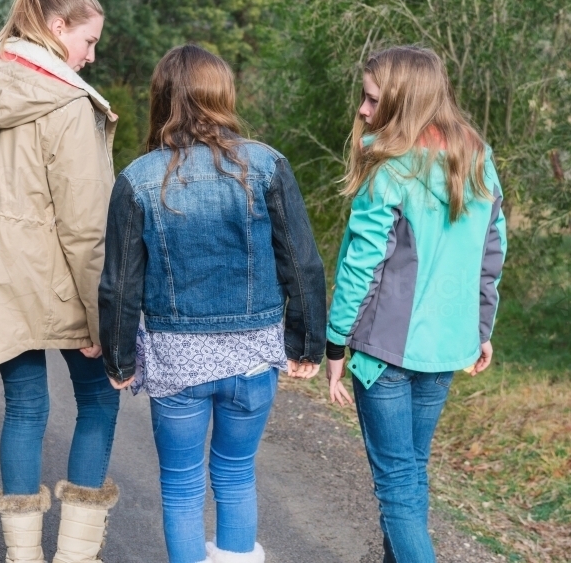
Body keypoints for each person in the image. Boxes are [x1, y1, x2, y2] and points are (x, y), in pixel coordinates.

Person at [99, 44, 327, 563]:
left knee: (181, 486)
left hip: (177, 362)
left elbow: (119, 283)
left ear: (162, 99)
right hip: (253, 358)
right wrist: (307, 342)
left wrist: (118, 357)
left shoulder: (136, 179)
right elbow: (302, 263)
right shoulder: (267, 165)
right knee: (236, 473)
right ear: (222, 95)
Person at [0, 0, 121, 563]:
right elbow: (87, 227)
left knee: (25, 407)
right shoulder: (66, 103)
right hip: (61, 286)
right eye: (87, 41)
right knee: (98, 402)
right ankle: (75, 554)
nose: (91, 56)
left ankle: (23, 556)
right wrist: (102, 318)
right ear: (57, 28)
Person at [325, 46, 506, 563]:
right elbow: (491, 252)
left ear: (403, 101)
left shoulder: (389, 163)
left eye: (372, 98)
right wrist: (480, 327)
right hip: (448, 346)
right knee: (410, 474)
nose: (362, 109)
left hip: (384, 353)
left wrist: (335, 342)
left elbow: (362, 264)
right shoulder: (477, 153)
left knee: (399, 489)